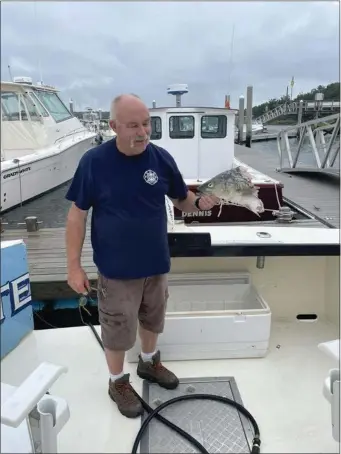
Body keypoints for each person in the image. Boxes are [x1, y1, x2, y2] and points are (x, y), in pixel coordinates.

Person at [65, 93, 217, 418]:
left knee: (153, 318)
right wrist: (73, 266)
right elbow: (77, 215)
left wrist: (200, 204)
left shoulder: (160, 158)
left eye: (146, 123)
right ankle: (117, 381)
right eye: (133, 125)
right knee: (117, 327)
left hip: (156, 263)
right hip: (117, 270)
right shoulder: (94, 162)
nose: (142, 132)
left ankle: (149, 363)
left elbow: (182, 199)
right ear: (113, 126)